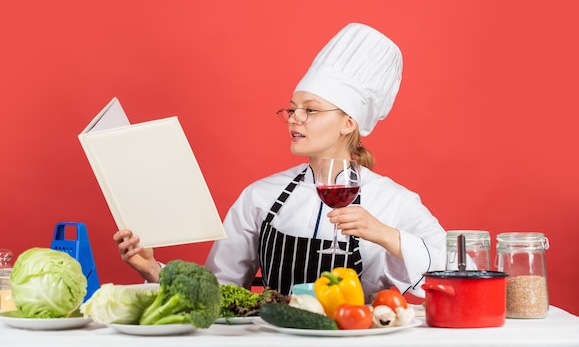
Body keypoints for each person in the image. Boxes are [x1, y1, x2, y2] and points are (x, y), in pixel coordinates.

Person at [113, 22, 446, 301]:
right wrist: (154, 270)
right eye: (292, 108)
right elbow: (221, 289)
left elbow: (450, 272)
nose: (294, 119)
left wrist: (385, 234)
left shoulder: (394, 202)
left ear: (349, 123)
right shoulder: (261, 196)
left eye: (310, 110)